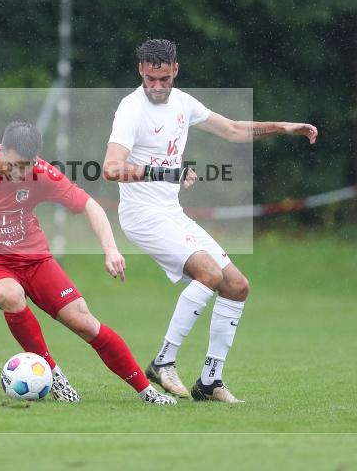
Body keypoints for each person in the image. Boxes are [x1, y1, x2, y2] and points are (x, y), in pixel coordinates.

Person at [102, 39, 318, 403]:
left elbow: (233, 130)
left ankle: (210, 381)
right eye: (151, 79)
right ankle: (163, 360)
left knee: (236, 286)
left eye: (164, 79)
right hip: (142, 216)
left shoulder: (184, 103)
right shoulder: (130, 110)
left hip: (171, 214)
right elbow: (110, 168)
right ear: (140, 70)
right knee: (209, 274)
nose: (157, 87)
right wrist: (167, 174)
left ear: (176, 71)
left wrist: (282, 127)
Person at [0, 120, 177, 405]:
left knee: (84, 323)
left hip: (35, 261)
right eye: (14, 165)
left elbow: (89, 205)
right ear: (0, 151)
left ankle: (147, 391)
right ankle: (53, 373)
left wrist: (110, 250)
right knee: (11, 295)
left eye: (26, 166)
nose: (19, 173)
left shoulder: (42, 174)